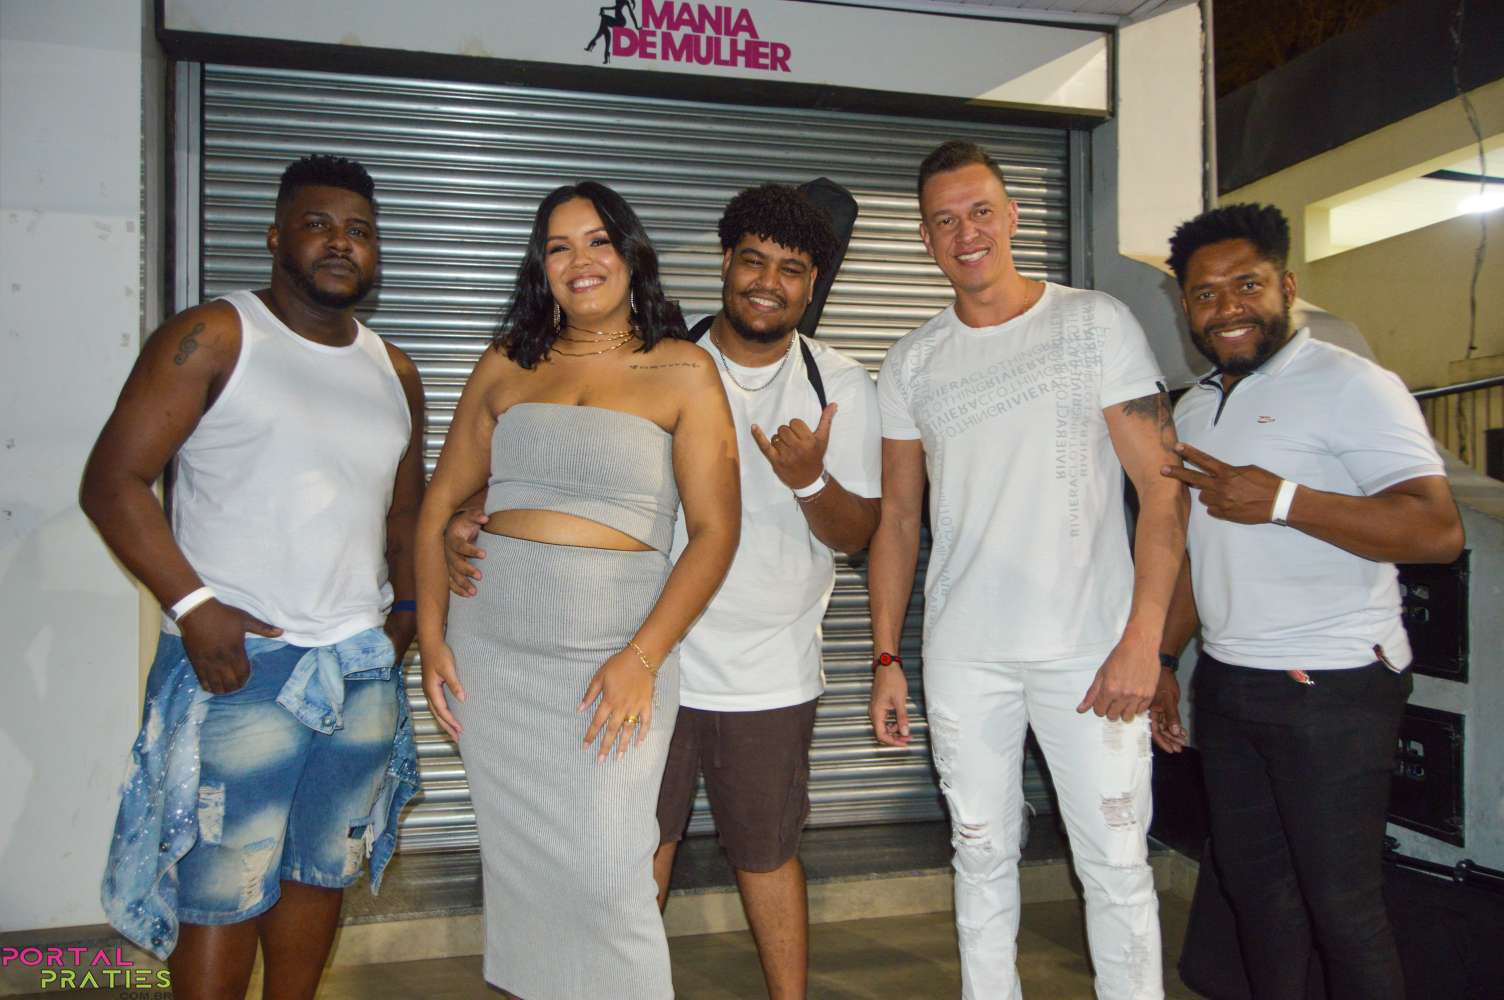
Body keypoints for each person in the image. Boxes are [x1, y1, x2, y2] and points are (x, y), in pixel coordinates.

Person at [444, 182, 881, 999]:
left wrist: (810, 478)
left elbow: (859, 533)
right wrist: (473, 514)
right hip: (640, 653)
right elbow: (553, 460)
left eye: (790, 269)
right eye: (752, 261)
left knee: (765, 852)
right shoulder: (662, 350)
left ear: (812, 284)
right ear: (725, 262)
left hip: (763, 666)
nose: (767, 282)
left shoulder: (839, 384)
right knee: (628, 859)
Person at [84, 154, 426, 1000]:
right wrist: (195, 608)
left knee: (321, 870)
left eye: (360, 230)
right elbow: (113, 481)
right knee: (219, 890)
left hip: (357, 666)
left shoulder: (394, 369)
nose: (341, 243)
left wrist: (408, 613)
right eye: (318, 225)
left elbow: (402, 515)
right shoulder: (216, 336)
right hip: (240, 666)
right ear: (276, 237)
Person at [866, 140, 1187, 1000]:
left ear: (1011, 215)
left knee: (1114, 861)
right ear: (926, 239)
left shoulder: (1095, 324)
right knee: (978, 855)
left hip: (1091, 653)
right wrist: (887, 655)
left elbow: (1164, 494)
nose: (965, 233)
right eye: (944, 221)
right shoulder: (911, 361)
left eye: (980, 211)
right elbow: (898, 520)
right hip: (965, 656)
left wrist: (1144, 642)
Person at [415, 180, 740, 1000]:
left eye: (597, 241)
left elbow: (715, 533)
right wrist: (431, 640)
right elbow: (437, 507)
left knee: (608, 881)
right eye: (558, 247)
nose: (579, 261)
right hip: (495, 657)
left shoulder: (684, 368)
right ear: (541, 267)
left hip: (615, 658)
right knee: (523, 886)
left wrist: (642, 658)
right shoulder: (507, 362)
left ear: (630, 254)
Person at [1152, 203, 1464, 1000]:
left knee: (1341, 908)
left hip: (1333, 683)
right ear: (1185, 307)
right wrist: (1164, 658)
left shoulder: (1353, 385)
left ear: (1287, 287)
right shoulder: (1196, 405)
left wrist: (1286, 501)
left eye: (1246, 284)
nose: (1226, 307)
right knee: (1257, 897)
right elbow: (1196, 554)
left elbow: (1437, 530)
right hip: (1230, 682)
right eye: (1205, 294)